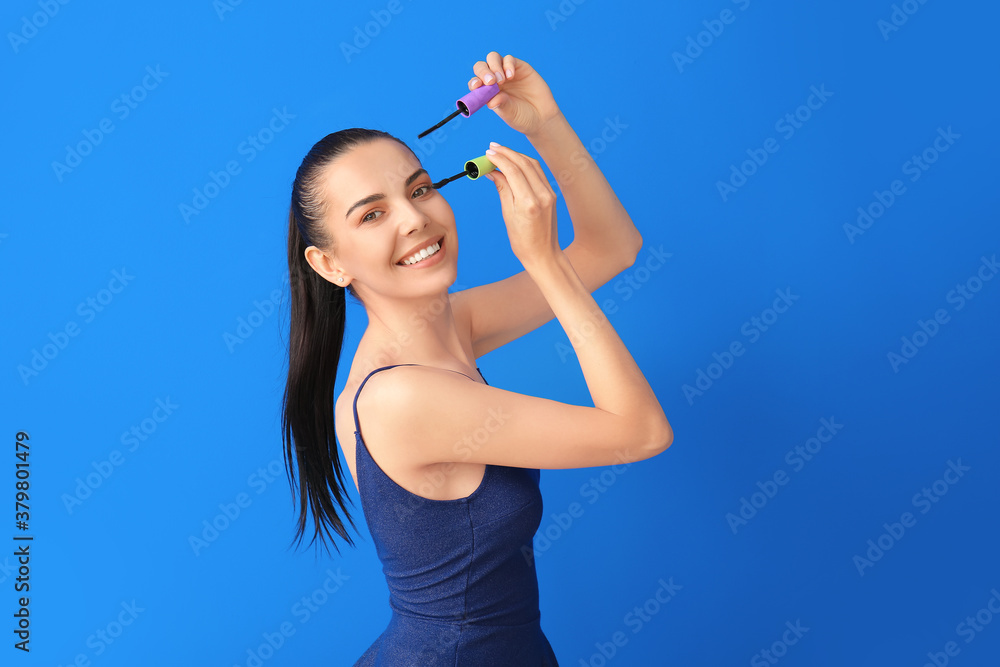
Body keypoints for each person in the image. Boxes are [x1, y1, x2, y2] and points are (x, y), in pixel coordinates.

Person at [281, 51, 672, 666]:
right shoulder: (399, 399)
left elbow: (611, 247)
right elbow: (641, 433)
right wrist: (542, 264)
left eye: (420, 189)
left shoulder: (449, 325)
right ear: (329, 265)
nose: (414, 219)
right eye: (373, 214)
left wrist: (544, 123)